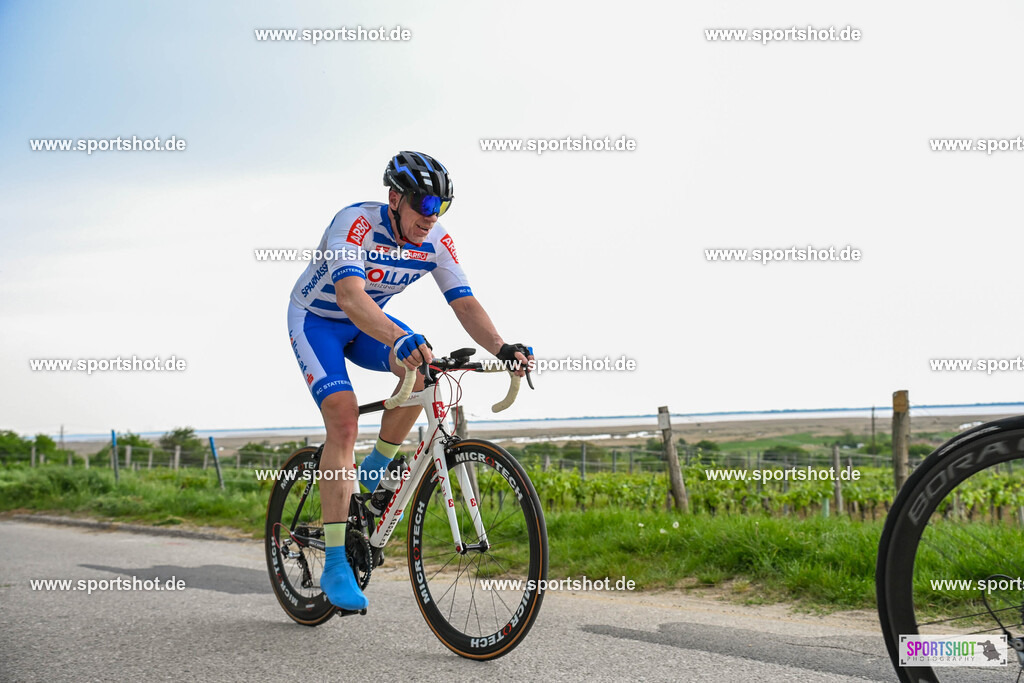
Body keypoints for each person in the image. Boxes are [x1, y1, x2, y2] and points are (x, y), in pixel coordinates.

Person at [287, 151, 533, 611]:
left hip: (367, 324)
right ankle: (337, 563)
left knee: (421, 365)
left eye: (440, 205)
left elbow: (464, 303)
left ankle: (376, 469)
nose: (430, 215)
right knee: (342, 419)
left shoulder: (436, 238)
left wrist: (502, 348)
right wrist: (399, 335)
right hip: (319, 320)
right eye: (422, 203)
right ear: (394, 198)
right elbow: (350, 295)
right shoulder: (354, 224)